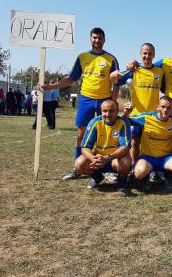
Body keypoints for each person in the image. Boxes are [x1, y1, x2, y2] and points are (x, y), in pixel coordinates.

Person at [40, 28, 120, 180]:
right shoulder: (82, 57)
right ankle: (77, 168)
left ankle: (107, 169)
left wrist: (113, 102)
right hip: (86, 99)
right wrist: (51, 86)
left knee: (107, 134)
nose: (97, 40)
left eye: (100, 38)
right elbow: (71, 79)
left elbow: (116, 83)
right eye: (95, 38)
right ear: (90, 38)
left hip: (105, 100)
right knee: (81, 134)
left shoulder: (111, 59)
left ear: (104, 40)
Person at [111, 43, 163, 164]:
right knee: (134, 142)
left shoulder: (160, 71)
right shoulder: (133, 70)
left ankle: (151, 169)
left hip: (153, 116)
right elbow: (116, 81)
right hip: (136, 115)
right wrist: (113, 76)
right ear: (140, 54)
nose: (147, 56)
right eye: (145, 53)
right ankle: (134, 167)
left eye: (150, 53)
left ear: (154, 55)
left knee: (151, 143)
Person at [127, 96, 172, 190]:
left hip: (165, 158)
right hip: (147, 158)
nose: (165, 110)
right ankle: (145, 176)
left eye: (169, 107)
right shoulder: (146, 118)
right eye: (163, 107)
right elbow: (125, 120)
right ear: (158, 107)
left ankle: (168, 175)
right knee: (138, 173)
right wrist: (126, 112)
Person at [74, 99, 132, 191]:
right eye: (105, 111)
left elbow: (125, 148)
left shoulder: (123, 122)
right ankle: (97, 177)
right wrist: (94, 159)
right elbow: (85, 147)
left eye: (111, 111)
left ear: (117, 111)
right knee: (79, 164)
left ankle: (122, 180)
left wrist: (107, 158)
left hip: (115, 159)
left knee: (126, 162)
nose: (108, 114)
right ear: (101, 111)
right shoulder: (95, 122)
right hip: (98, 158)